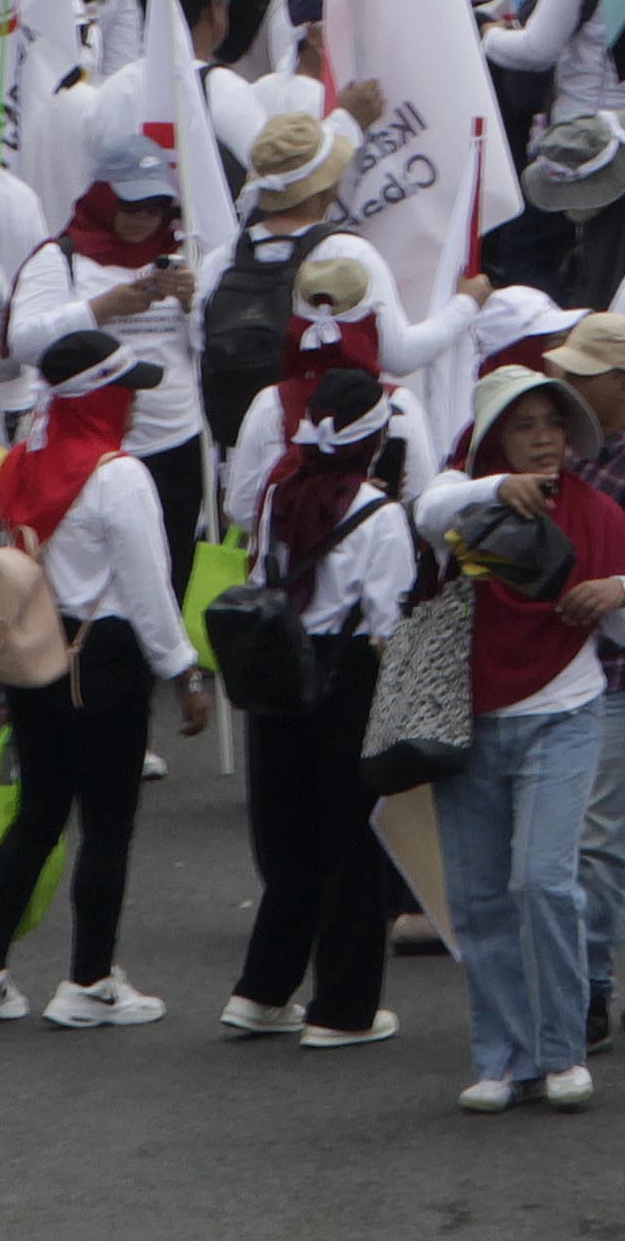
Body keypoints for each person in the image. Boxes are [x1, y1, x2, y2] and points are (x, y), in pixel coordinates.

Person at [0, 330, 202, 1030]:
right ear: (102, 396)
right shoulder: (117, 475)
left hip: (36, 656)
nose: (133, 406)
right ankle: (87, 979)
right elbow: (148, 587)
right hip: (105, 659)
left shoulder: (25, 460)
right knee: (107, 826)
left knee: (37, 816)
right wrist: (183, 671)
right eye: (126, 392)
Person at [417, 366, 625, 1114]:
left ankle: (562, 1052)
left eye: (553, 423)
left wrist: (620, 594)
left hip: (564, 714)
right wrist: (494, 491)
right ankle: (502, 1058)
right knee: (479, 897)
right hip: (467, 717)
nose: (544, 438)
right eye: (524, 426)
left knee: (541, 880)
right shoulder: (464, 502)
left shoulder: (598, 512)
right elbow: (426, 508)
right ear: (493, 441)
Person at [215, 367, 420, 1047]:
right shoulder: (379, 514)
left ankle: (263, 990)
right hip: (346, 679)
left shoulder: (280, 495)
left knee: (292, 842)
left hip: (278, 676)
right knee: (354, 845)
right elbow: (389, 620)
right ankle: (343, 1008)